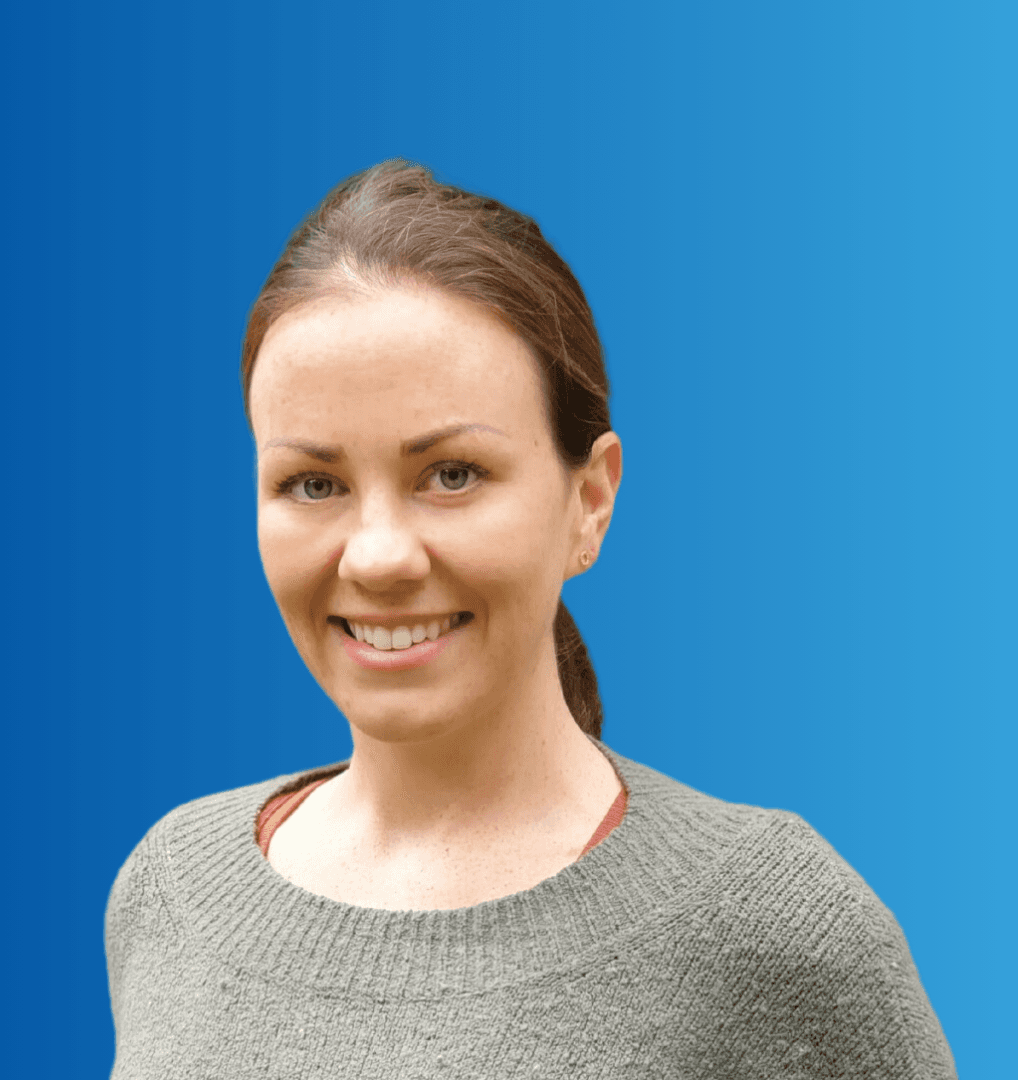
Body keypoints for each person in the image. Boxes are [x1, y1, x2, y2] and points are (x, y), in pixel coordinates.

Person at [105, 160, 957, 1078]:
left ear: (589, 499)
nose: (378, 557)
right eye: (313, 484)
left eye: (453, 475)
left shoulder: (774, 931)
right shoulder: (173, 890)